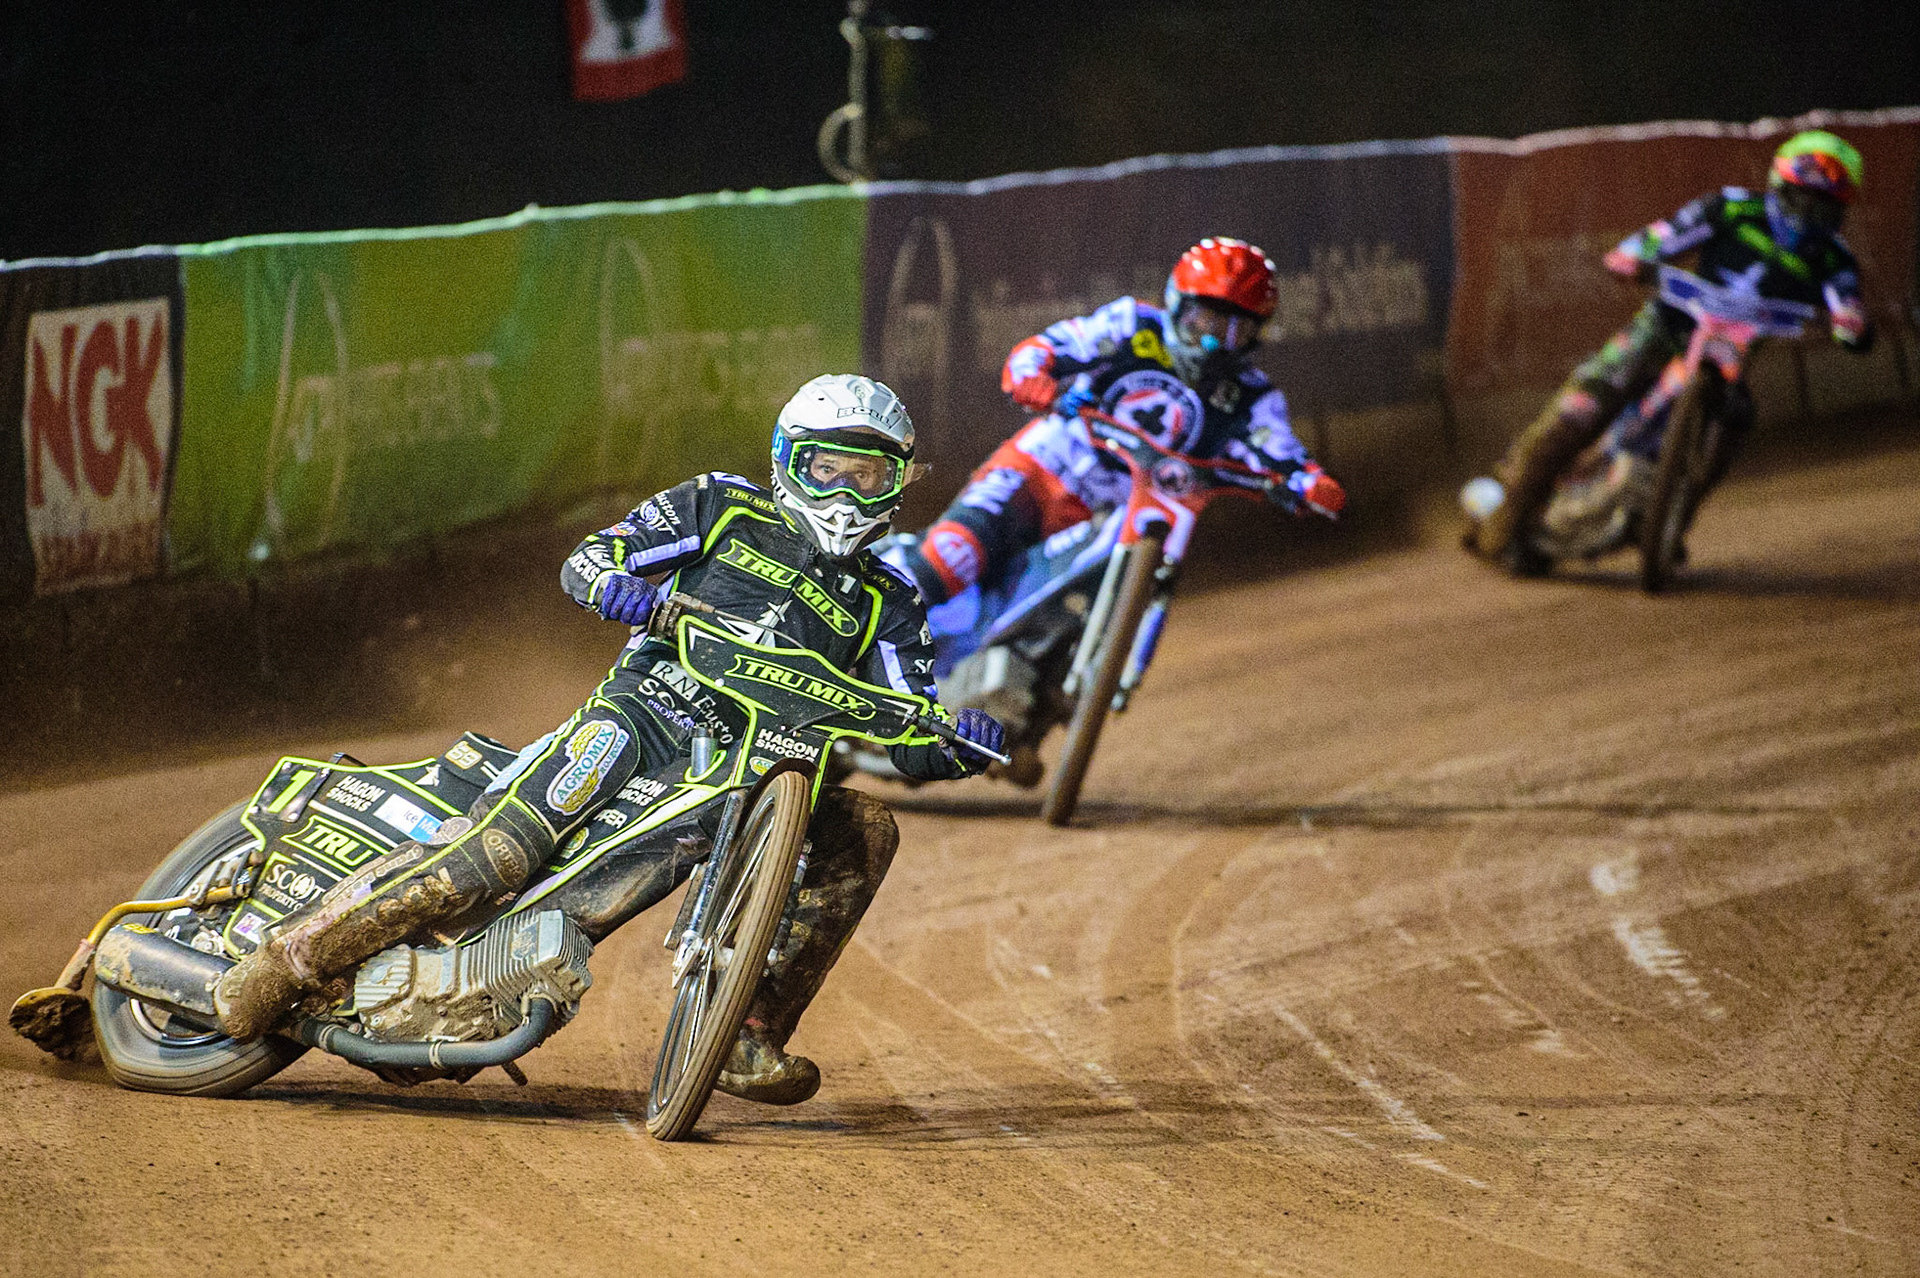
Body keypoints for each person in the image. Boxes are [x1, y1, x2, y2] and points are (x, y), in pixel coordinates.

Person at [213, 374, 1005, 1105]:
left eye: (867, 474)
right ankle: (286, 961)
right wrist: (620, 589)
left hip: (755, 772)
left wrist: (958, 743)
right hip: (645, 713)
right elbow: (591, 558)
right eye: (827, 467)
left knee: (866, 828)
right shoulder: (721, 505)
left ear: (896, 481)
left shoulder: (889, 601)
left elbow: (910, 727)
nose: (844, 490)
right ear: (786, 461)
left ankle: (748, 1033)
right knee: (500, 854)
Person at [1466, 129, 1877, 569]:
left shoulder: (1835, 259)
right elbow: (1665, 235)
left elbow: (1847, 303)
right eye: (1804, 202)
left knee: (1737, 419)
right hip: (1662, 329)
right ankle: (1505, 526)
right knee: (1580, 410)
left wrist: (1851, 324)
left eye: (1826, 208)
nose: (1811, 217)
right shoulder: (1731, 208)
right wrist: (1634, 254)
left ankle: (1673, 521)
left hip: (1727, 357)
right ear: (1781, 188)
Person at [897, 237, 1346, 606]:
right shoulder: (1131, 325)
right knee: (950, 557)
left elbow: (1281, 450)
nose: (1213, 344)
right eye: (1203, 323)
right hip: (1046, 467)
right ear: (1176, 304)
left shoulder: (1253, 395)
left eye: (1235, 332)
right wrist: (1036, 379)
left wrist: (1308, 481)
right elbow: (1045, 349)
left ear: (1256, 334)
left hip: (1125, 510)